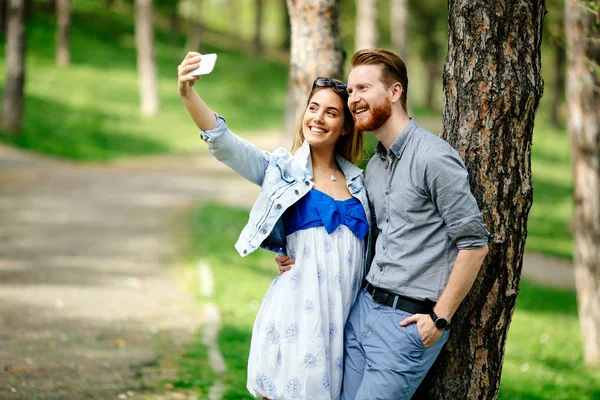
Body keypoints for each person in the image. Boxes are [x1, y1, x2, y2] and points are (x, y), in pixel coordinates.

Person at [277, 48, 490, 399]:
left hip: (407, 324)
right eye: (351, 91)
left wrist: (438, 318)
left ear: (394, 92)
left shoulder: (434, 158)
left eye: (363, 88)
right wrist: (294, 256)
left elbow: (474, 244)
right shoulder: (372, 168)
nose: (353, 99)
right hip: (362, 313)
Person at [177, 52, 371, 400]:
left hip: (347, 321)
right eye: (313, 108)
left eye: (331, 112)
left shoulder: (363, 185)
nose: (318, 118)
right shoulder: (282, 170)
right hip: (298, 317)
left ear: (345, 126)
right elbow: (225, 144)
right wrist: (188, 94)